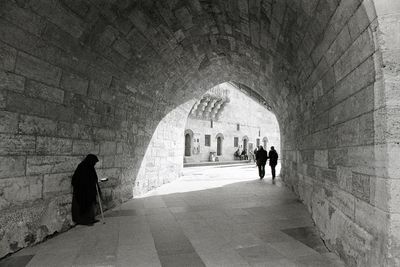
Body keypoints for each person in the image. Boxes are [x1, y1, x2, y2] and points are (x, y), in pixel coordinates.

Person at [71, 154, 101, 225]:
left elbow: (93, 177)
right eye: (94, 162)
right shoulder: (82, 167)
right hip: (82, 191)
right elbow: (75, 180)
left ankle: (91, 219)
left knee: (90, 205)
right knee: (84, 205)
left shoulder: (90, 167)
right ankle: (85, 221)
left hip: (89, 190)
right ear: (90, 161)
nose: (94, 164)